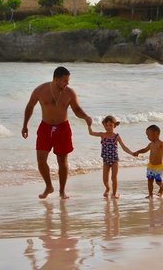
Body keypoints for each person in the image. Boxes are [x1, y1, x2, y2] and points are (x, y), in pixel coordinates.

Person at [22, 66, 92, 199]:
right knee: (41, 160)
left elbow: (76, 109)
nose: (67, 83)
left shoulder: (69, 93)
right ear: (56, 79)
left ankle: (62, 191)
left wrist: (86, 117)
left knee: (62, 160)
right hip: (45, 127)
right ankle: (49, 186)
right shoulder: (40, 90)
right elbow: (30, 106)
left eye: (68, 80)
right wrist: (25, 125)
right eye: (65, 80)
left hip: (62, 128)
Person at [88, 115, 134, 198]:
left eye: (110, 125)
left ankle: (114, 193)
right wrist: (89, 125)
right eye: (106, 125)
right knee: (105, 179)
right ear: (104, 125)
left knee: (114, 177)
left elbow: (124, 147)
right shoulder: (102, 135)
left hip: (114, 160)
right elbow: (91, 133)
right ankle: (107, 188)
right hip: (106, 160)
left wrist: (132, 153)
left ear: (114, 126)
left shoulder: (116, 136)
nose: (108, 127)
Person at [133, 124, 163, 197]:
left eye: (148, 135)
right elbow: (145, 150)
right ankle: (150, 194)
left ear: (156, 133)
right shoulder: (150, 144)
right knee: (150, 180)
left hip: (159, 167)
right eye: (147, 135)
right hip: (151, 166)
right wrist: (138, 152)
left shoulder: (160, 143)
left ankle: (161, 187)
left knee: (158, 181)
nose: (147, 137)